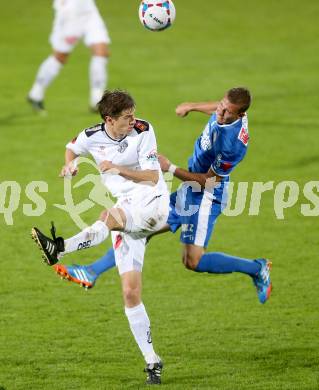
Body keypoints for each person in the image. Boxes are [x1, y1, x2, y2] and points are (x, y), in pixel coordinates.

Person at [54, 87, 272, 304]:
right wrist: (193, 107)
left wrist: (170, 168)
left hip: (206, 196)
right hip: (190, 192)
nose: (220, 113)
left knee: (192, 261)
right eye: (221, 107)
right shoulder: (229, 110)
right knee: (140, 227)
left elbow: (210, 181)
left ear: (240, 115)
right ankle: (91, 271)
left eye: (227, 113)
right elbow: (220, 107)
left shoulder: (233, 145)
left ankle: (256, 268)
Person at [31, 89, 169, 385]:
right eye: (127, 117)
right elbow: (72, 146)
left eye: (134, 113)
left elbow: (153, 176)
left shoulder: (143, 131)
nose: (134, 120)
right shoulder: (93, 134)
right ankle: (152, 361)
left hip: (152, 205)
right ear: (109, 119)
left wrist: (118, 168)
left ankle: (60, 248)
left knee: (108, 217)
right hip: (127, 212)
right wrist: (71, 164)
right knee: (130, 293)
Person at [27, 0, 111, 113]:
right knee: (60, 56)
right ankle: (36, 93)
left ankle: (97, 100)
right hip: (69, 13)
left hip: (89, 11)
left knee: (101, 52)